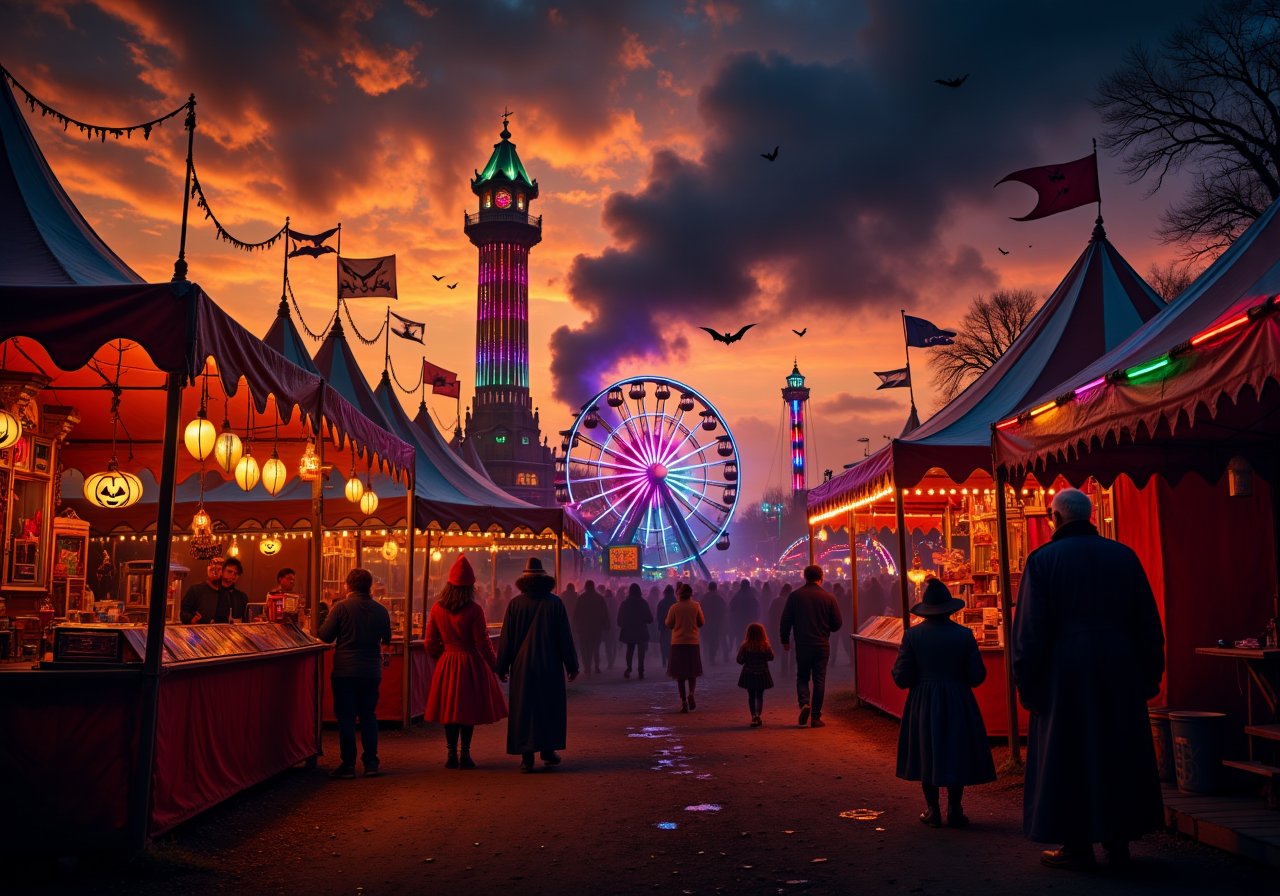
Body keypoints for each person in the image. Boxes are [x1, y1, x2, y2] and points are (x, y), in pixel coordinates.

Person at [1012, 488, 1165, 869]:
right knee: (1117, 750)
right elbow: (1148, 622)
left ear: (1057, 519)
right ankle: (1119, 842)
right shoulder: (1124, 556)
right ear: (1090, 516)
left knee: (1071, 754)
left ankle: (1076, 845)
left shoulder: (1043, 560)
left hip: (1065, 671)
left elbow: (1029, 632)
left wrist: (1027, 683)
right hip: (1119, 666)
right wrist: (1150, 673)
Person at [892, 578, 996, 828]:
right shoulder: (964, 635)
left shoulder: (912, 636)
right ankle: (955, 807)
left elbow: (901, 676)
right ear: (949, 608)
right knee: (955, 748)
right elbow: (977, 675)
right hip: (957, 697)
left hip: (923, 699)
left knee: (926, 749)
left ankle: (932, 809)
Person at [424, 555, 508, 770]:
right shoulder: (475, 610)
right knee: (467, 710)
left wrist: (441, 657)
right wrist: (495, 665)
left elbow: (430, 642)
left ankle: (451, 754)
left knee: (449, 711)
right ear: (470, 586)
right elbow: (483, 643)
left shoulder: (436, 608)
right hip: (470, 663)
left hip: (447, 662)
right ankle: (465, 754)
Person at [496, 557, 579, 773]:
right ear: (544, 579)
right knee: (549, 707)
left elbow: (506, 639)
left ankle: (527, 756)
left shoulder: (515, 605)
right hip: (549, 663)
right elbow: (564, 638)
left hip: (522, 666)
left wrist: (502, 666)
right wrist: (571, 665)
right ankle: (548, 750)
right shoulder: (555, 603)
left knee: (525, 708)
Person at [318, 568, 391, 779]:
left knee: (346, 717)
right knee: (369, 715)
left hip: (345, 670)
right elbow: (386, 638)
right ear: (370, 586)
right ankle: (371, 763)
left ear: (347, 585)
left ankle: (348, 764)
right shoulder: (381, 610)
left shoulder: (340, 608)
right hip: (371, 670)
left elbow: (325, 636)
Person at [779, 564, 842, 728]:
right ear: (821, 577)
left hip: (803, 644)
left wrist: (785, 640)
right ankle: (815, 717)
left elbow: (786, 620)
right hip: (822, 644)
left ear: (804, 577)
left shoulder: (795, 596)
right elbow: (837, 623)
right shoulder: (829, 598)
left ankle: (804, 703)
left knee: (802, 676)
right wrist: (826, 629)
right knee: (819, 680)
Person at [665, 582, 704, 713]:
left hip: (678, 643)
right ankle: (691, 693)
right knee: (692, 672)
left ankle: (683, 702)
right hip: (692, 642)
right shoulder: (696, 606)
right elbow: (701, 622)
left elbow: (669, 624)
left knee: (680, 675)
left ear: (679, 594)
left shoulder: (674, 608)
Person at [179, 556, 249, 624]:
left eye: (236, 574)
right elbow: (183, 613)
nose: (233, 576)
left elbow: (246, 619)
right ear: (221, 571)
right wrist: (191, 619)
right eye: (229, 571)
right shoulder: (196, 590)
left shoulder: (241, 597)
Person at [736, 622, 775, 727]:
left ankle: (753, 716)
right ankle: (758, 714)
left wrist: (745, 659)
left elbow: (739, 660)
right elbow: (771, 657)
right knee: (760, 696)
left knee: (751, 696)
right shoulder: (765, 645)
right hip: (762, 673)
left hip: (749, 673)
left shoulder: (745, 646)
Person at [616, 583, 654, 679]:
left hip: (629, 630)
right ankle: (641, 670)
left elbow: (620, 618)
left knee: (630, 650)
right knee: (641, 651)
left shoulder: (625, 603)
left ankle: (629, 668)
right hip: (641, 630)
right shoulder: (643, 603)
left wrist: (622, 624)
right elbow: (649, 618)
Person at [572, 580, 609, 674]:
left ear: (585, 587)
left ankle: (587, 667)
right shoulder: (599, 598)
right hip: (596, 627)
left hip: (584, 628)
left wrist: (575, 625)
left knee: (584, 648)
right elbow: (604, 613)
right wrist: (606, 625)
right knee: (595, 648)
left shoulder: (581, 598)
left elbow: (576, 613)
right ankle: (596, 667)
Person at [700, 580, 728, 664]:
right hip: (717, 622)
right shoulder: (719, 598)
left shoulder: (704, 598)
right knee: (715, 640)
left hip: (706, 622)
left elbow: (700, 609)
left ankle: (708, 657)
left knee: (707, 640)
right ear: (716, 588)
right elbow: (724, 610)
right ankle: (713, 657)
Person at [655, 584, 677, 668]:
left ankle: (664, 659)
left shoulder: (661, 602)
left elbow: (659, 615)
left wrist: (660, 624)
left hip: (664, 627)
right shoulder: (676, 603)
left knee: (664, 644)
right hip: (674, 627)